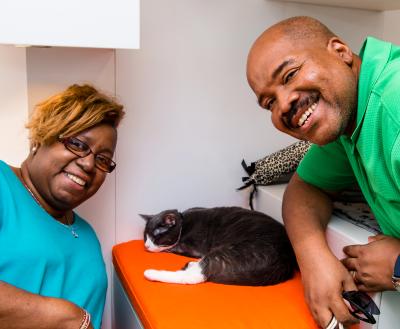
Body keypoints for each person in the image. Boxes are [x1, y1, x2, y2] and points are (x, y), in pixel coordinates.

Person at [246, 16, 400, 328]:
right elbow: (304, 188)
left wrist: (398, 267)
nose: (283, 105)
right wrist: (314, 259)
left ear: (341, 51)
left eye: (289, 74)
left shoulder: (393, 107)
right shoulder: (352, 113)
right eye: (268, 103)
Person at [0, 84, 125, 329]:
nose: (89, 164)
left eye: (102, 159)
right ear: (41, 137)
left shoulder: (87, 235)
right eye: (78, 144)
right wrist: (67, 318)